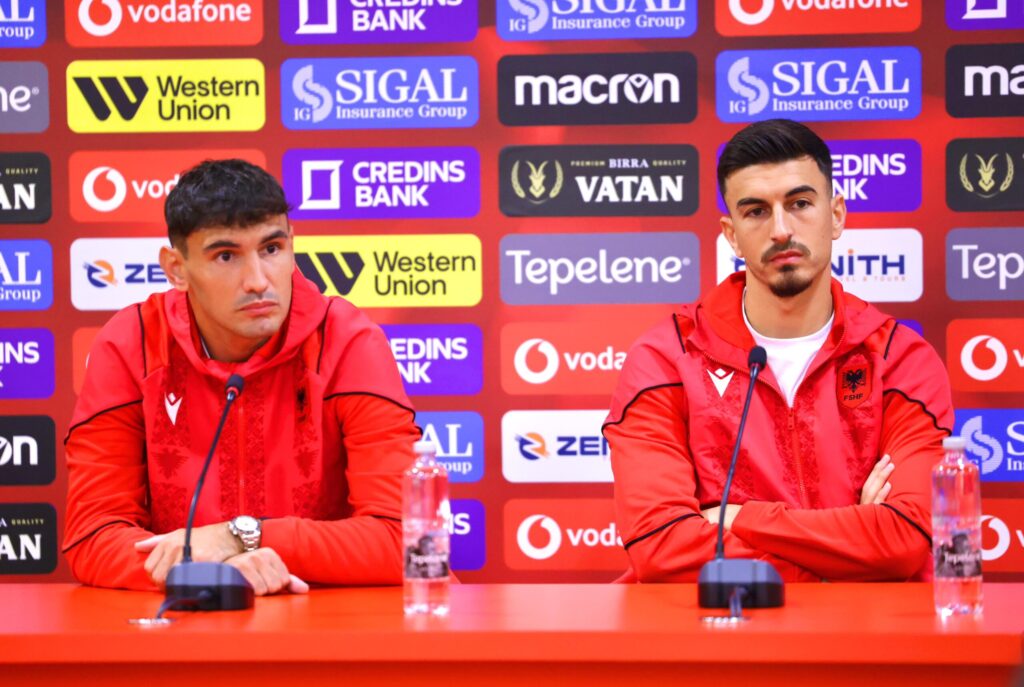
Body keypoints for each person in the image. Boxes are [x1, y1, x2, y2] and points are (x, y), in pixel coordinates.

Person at [603, 119, 953, 582]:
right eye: (756, 212)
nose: (781, 230)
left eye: (800, 203)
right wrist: (850, 555)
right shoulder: (666, 358)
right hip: (718, 626)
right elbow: (661, 546)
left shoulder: (899, 359)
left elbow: (905, 539)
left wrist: (735, 518)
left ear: (836, 215)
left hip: (872, 627)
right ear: (731, 234)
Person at [63, 159, 420, 595]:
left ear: (291, 245)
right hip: (195, 616)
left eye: (271, 249)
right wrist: (214, 573)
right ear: (176, 268)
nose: (258, 281)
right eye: (226, 256)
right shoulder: (131, 344)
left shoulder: (347, 341)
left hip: (332, 617)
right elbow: (92, 534)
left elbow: (408, 540)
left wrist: (242, 536)